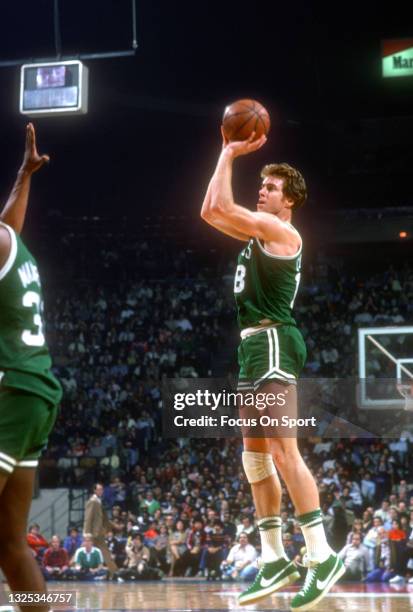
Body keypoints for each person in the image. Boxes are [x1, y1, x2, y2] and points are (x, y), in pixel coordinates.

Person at [201, 129, 344, 609]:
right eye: (260, 185)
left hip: (274, 341)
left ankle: (322, 555)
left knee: (283, 452)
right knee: (254, 458)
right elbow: (209, 211)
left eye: (271, 188)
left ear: (290, 203)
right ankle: (274, 557)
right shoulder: (259, 231)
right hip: (251, 347)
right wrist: (227, 157)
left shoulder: (281, 231)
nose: (261, 190)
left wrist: (228, 151)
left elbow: (220, 207)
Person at [0, 124, 62, 612]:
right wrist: (24, 173)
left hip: (12, 390)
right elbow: (11, 223)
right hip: (34, 392)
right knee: (9, 543)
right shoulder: (9, 244)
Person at [83, 482, 118, 577]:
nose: (100, 491)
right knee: (84, 551)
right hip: (92, 533)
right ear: (94, 490)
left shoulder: (99, 501)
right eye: (98, 489)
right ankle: (76, 570)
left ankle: (114, 572)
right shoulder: (92, 501)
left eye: (101, 489)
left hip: (98, 532)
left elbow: (103, 518)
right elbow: (88, 517)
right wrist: (86, 532)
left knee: (105, 552)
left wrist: (109, 527)